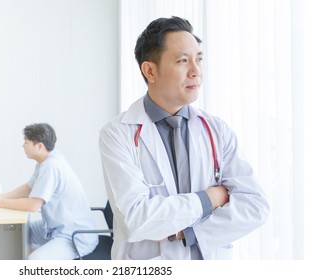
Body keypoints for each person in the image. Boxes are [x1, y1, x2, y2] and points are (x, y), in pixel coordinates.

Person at [99, 16, 269, 260]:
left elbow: (255, 206)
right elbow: (135, 220)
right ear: (149, 70)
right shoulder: (117, 133)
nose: (196, 71)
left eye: (199, 59)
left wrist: (187, 232)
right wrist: (211, 198)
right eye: (182, 61)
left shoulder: (217, 130)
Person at [0, 123, 99, 260]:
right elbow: (29, 188)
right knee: (20, 233)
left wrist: (0, 203)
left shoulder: (51, 166)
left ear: (39, 146)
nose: (23, 146)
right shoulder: (48, 159)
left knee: (34, 260)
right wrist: (1, 196)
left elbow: (33, 205)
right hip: (58, 226)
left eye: (26, 142)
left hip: (74, 236)